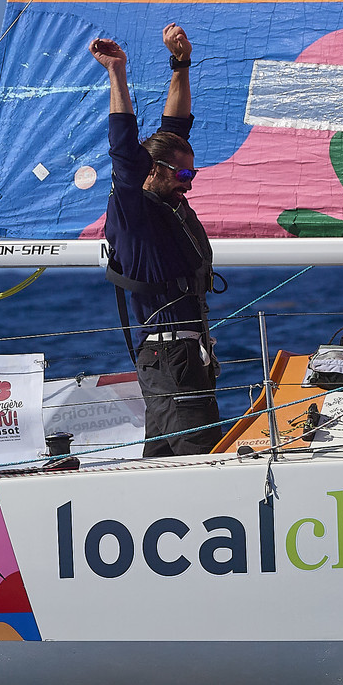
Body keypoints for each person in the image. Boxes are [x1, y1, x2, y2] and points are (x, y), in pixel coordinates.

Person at [90, 24, 222, 457]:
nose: (189, 184)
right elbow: (125, 151)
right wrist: (117, 73)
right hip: (170, 359)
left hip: (184, 357)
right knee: (197, 457)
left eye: (193, 174)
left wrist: (181, 63)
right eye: (183, 175)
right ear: (155, 170)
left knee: (167, 457)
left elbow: (176, 128)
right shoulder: (134, 211)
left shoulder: (168, 200)